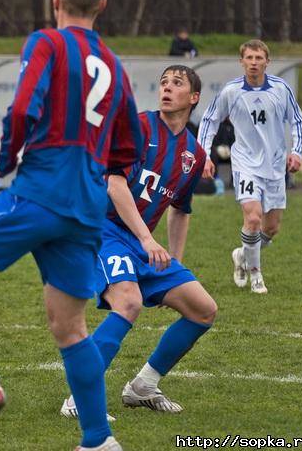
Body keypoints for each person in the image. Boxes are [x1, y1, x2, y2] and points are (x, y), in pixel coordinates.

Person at [0, 0, 141, 451]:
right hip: (87, 205)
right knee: (69, 326)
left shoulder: (47, 42)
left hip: (42, 191)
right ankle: (98, 440)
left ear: (56, 1)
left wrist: (4, 162)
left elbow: (23, 106)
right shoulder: (114, 62)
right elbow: (128, 145)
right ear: (101, 6)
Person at [59, 65, 216, 422]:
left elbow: (181, 210)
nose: (167, 88)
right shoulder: (138, 127)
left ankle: (143, 387)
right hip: (102, 230)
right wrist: (147, 240)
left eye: (177, 83)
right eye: (163, 82)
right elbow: (114, 186)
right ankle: (79, 397)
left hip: (139, 242)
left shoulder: (195, 154)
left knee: (203, 309)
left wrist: (173, 264)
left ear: (193, 98)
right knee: (128, 302)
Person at [197, 39, 302, 294]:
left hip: (276, 165)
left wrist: (297, 153)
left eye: (259, 58)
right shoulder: (231, 91)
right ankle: (256, 275)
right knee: (254, 217)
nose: (254, 63)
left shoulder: (281, 89)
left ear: (267, 62)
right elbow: (209, 121)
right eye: (249, 58)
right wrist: (204, 156)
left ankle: (242, 255)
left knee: (271, 228)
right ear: (241, 62)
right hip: (245, 164)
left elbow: (299, 123)